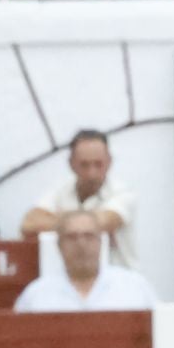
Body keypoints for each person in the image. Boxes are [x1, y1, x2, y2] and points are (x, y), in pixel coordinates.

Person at [21, 130, 139, 271]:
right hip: (74, 282)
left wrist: (54, 222)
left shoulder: (123, 193)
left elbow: (106, 221)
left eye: (98, 164)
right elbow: (29, 224)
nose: (92, 173)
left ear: (109, 162)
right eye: (84, 165)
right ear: (71, 164)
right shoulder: (61, 190)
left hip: (121, 281)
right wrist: (90, 221)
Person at [13, 210, 156, 312]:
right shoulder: (36, 295)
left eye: (88, 236)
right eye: (72, 237)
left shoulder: (135, 287)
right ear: (59, 245)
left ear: (101, 242)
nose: (81, 244)